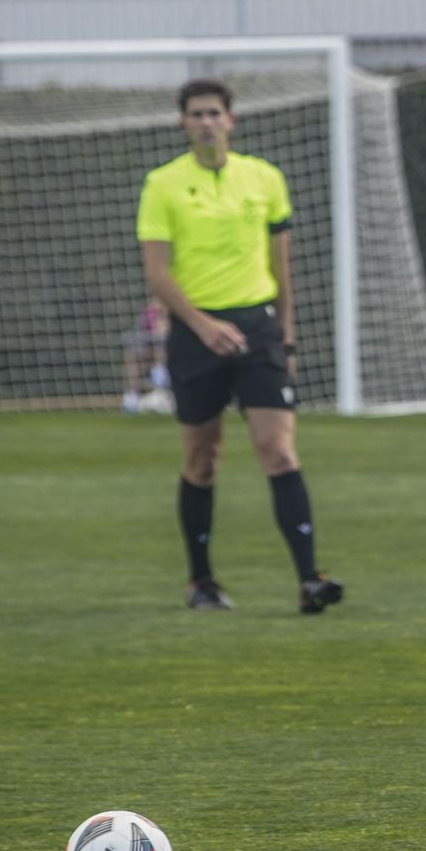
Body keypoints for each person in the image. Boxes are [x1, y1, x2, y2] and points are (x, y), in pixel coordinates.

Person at [136, 78, 344, 613]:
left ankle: (310, 580)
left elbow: (282, 266)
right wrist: (202, 325)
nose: (206, 122)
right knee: (202, 460)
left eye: (214, 113)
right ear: (183, 123)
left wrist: (287, 337)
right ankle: (201, 582)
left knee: (279, 451)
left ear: (231, 120)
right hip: (195, 334)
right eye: (196, 114)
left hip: (259, 330)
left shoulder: (265, 178)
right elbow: (157, 274)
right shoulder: (162, 184)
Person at [121, 297, 172, 414]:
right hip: (149, 340)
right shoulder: (152, 311)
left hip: (170, 343)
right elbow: (146, 325)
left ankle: (160, 375)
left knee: (160, 344)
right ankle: (131, 398)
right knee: (132, 356)